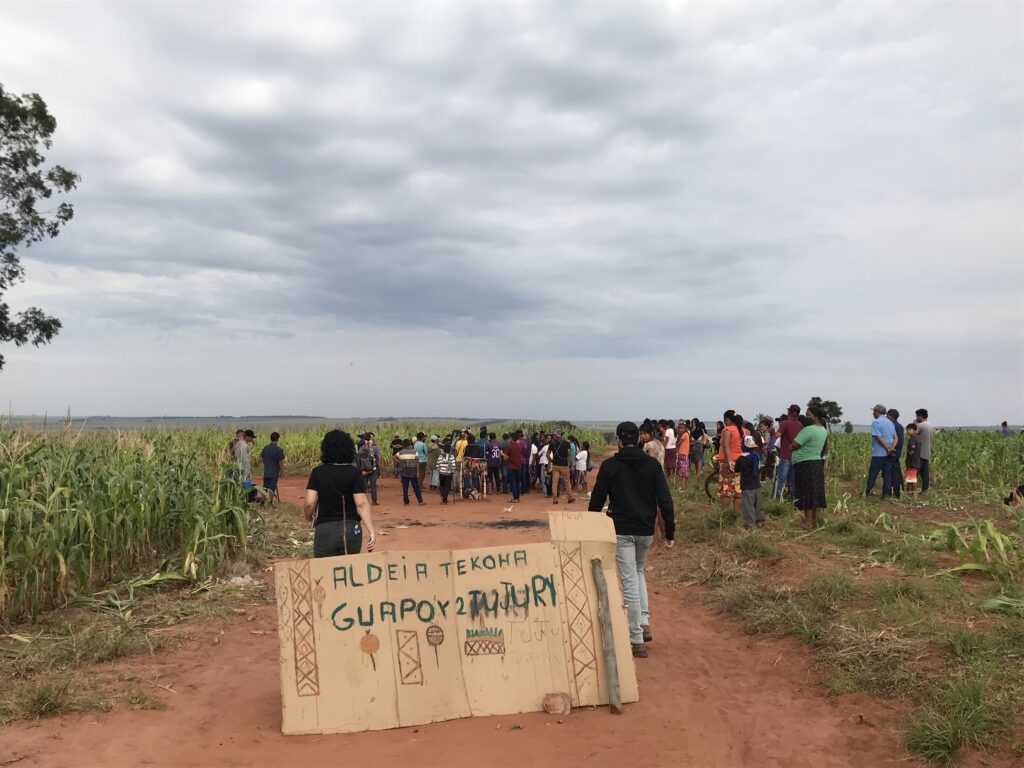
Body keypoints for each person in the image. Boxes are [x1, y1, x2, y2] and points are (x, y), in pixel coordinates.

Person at [588, 421, 674, 659]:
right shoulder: (652, 466)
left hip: (622, 530)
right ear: (638, 439)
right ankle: (644, 622)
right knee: (638, 572)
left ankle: (635, 638)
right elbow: (665, 501)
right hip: (646, 530)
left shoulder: (610, 466)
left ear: (618, 440)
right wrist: (669, 532)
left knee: (628, 581)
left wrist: (591, 524)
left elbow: (597, 499)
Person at [304, 430, 376, 557]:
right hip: (351, 530)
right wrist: (371, 531)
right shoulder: (355, 473)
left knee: (323, 571)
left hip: (325, 530)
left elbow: (310, 502)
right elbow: (361, 504)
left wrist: (309, 518)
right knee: (349, 570)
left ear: (325, 449)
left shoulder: (317, 472)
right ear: (349, 449)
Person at [792, 405, 829, 528]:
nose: (806, 417)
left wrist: (791, 447)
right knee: (816, 491)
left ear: (816, 417)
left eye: (808, 415)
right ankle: (815, 520)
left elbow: (795, 444)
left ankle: (807, 522)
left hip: (805, 463)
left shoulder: (808, 430)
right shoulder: (823, 430)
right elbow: (825, 447)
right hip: (817, 462)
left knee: (807, 492)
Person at [865, 404, 896, 497]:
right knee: (887, 475)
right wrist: (891, 448)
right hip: (889, 454)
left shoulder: (876, 422)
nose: (873, 413)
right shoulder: (890, 423)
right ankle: (885, 494)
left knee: (873, 474)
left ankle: (866, 492)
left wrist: (887, 448)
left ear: (878, 412)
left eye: (874, 411)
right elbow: (895, 437)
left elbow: (878, 437)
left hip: (878, 454)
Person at [715, 411, 743, 515]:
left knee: (726, 490)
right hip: (738, 461)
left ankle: (723, 515)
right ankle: (736, 514)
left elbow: (726, 446)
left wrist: (728, 460)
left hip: (728, 462)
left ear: (727, 419)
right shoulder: (739, 430)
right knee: (737, 489)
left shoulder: (727, 430)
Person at [773, 404, 803, 500]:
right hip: (796, 456)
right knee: (793, 479)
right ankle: (793, 497)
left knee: (781, 478)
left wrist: (776, 430)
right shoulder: (800, 425)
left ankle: (778, 498)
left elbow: (777, 435)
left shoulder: (785, 423)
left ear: (791, 412)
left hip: (785, 455)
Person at [734, 435, 764, 529]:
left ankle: (749, 524)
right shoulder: (756, 456)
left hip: (746, 485)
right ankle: (760, 521)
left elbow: (736, 469)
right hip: (756, 484)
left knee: (748, 505)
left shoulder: (741, 459)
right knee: (758, 503)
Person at [547, 430, 575, 503]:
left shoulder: (552, 444)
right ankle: (570, 497)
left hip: (555, 466)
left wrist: (551, 460)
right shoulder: (567, 444)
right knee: (567, 482)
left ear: (557, 435)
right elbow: (569, 455)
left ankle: (555, 499)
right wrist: (572, 465)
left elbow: (547, 455)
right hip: (564, 466)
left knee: (555, 483)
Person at [260, 432, 286, 506]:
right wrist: (282, 471)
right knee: (272, 487)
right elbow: (280, 462)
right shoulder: (279, 450)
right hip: (274, 471)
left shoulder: (265, 448)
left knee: (265, 486)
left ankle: (262, 501)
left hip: (266, 470)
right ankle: (270, 502)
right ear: (277, 439)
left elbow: (262, 458)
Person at [396, 440, 425, 506]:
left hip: (404, 472)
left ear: (403, 445)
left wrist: (400, 462)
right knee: (416, 487)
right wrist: (417, 472)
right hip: (413, 471)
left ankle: (406, 502)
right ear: (409, 444)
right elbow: (417, 462)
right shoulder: (414, 451)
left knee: (405, 488)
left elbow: (393, 457)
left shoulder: (401, 452)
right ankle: (420, 501)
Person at [886, 409, 905, 498]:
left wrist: (892, 450)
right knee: (896, 471)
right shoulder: (899, 426)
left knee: (893, 472)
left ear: (891, 416)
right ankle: (899, 490)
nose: (886, 416)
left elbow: (897, 441)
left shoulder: (892, 426)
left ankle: (895, 491)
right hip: (896, 452)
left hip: (893, 452)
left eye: (887, 415)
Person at [914, 409, 934, 492]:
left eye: (917, 416)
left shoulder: (920, 426)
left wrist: (914, 424)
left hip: (919, 453)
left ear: (920, 416)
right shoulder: (931, 426)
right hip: (926, 453)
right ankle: (925, 488)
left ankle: (910, 489)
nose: (916, 418)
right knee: (925, 473)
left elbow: (912, 434)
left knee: (913, 471)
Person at [503, 430, 523, 502]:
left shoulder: (509, 446)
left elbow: (505, 457)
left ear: (511, 438)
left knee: (513, 483)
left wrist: (503, 455)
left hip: (511, 466)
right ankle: (517, 497)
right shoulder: (519, 446)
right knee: (517, 482)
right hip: (518, 466)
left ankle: (515, 498)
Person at [437, 439, 456, 504]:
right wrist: (452, 471)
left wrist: (439, 470)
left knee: (442, 486)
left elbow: (437, 465)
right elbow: (453, 466)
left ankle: (443, 497)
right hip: (448, 474)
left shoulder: (440, 456)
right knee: (447, 487)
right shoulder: (451, 457)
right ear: (450, 450)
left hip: (441, 474)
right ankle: (445, 498)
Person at [904, 422, 921, 493]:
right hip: (916, 461)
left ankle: (911, 492)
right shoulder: (917, 438)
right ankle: (912, 492)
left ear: (914, 430)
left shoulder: (912, 439)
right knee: (912, 478)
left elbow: (913, 446)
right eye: (907, 429)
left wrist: (911, 452)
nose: (908, 431)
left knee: (911, 479)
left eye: (910, 429)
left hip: (912, 462)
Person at [675, 419, 690, 489]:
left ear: (685, 428)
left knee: (683, 471)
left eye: (682, 428)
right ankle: (683, 486)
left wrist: (675, 444)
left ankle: (682, 487)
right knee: (683, 470)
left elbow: (678, 443)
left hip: (682, 454)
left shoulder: (684, 435)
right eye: (679, 428)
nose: (680, 429)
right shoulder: (685, 434)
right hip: (683, 454)